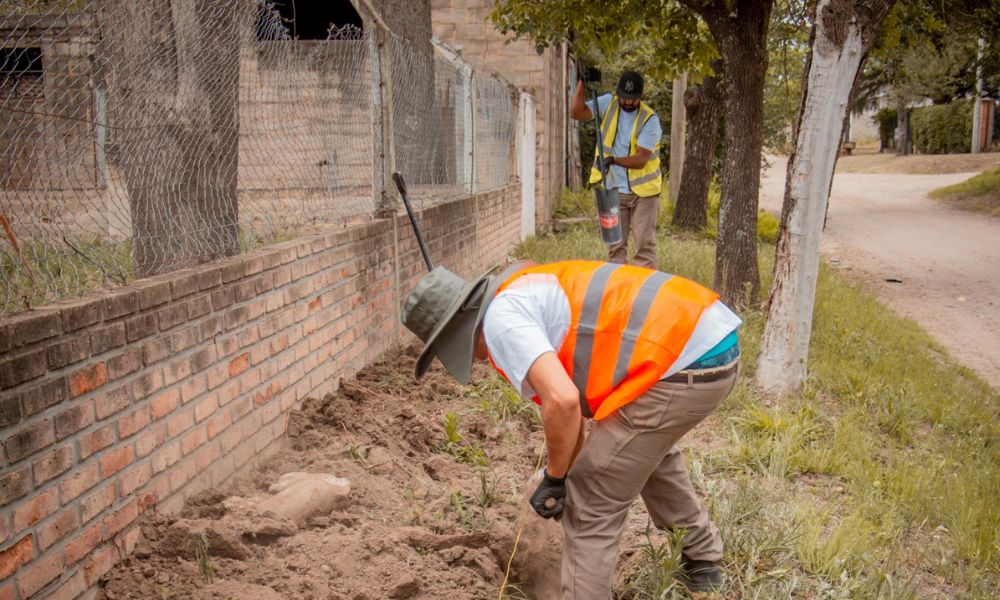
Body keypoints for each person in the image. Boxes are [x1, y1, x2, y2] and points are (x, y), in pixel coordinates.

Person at [402, 259, 741, 598]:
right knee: (636, 452)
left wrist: (557, 478)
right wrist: (558, 474)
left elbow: (562, 402)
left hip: (684, 361)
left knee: (590, 500)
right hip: (707, 342)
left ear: (459, 326)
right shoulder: (522, 289)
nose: (469, 359)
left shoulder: (501, 322)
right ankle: (703, 561)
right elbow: (572, 404)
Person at [570, 71, 663, 269]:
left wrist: (613, 160)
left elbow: (640, 160)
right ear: (618, 93)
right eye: (624, 97)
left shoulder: (650, 120)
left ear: (640, 96)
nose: (628, 102)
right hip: (613, 190)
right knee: (615, 245)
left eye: (633, 99)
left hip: (644, 195)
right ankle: (618, 289)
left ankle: (642, 292)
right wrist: (582, 83)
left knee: (644, 245)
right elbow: (576, 112)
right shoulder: (607, 104)